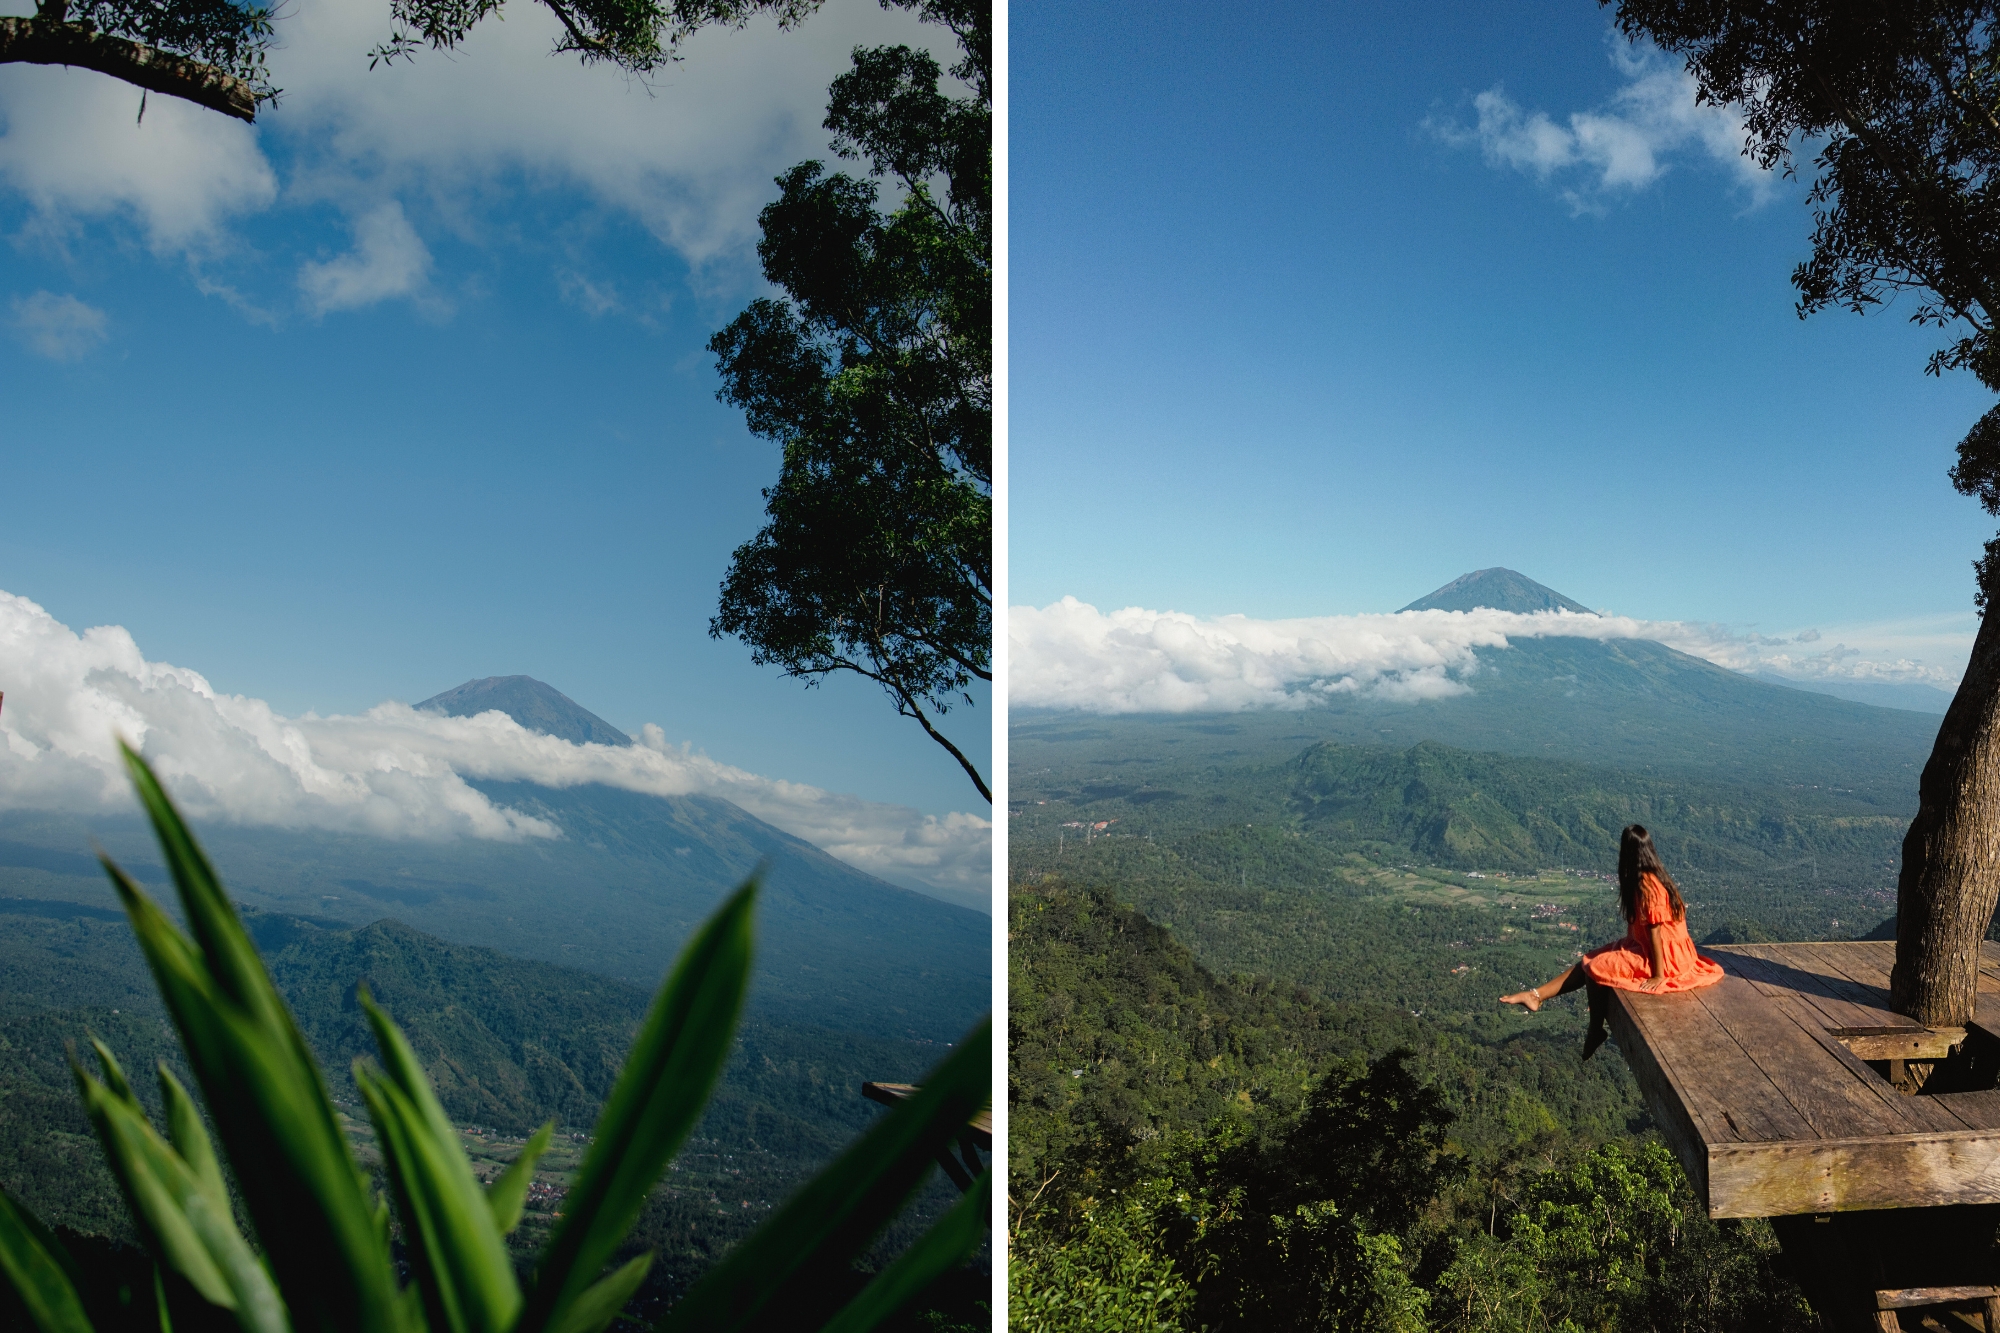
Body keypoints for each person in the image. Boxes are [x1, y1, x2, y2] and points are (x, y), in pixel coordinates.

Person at [1498, 824, 1724, 1057]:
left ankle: (1595, 1029)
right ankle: (1536, 995)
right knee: (1592, 958)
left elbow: (1656, 935)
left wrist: (1659, 975)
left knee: (1596, 967)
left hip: (1664, 958)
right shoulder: (1648, 879)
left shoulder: (1649, 887)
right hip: (1649, 948)